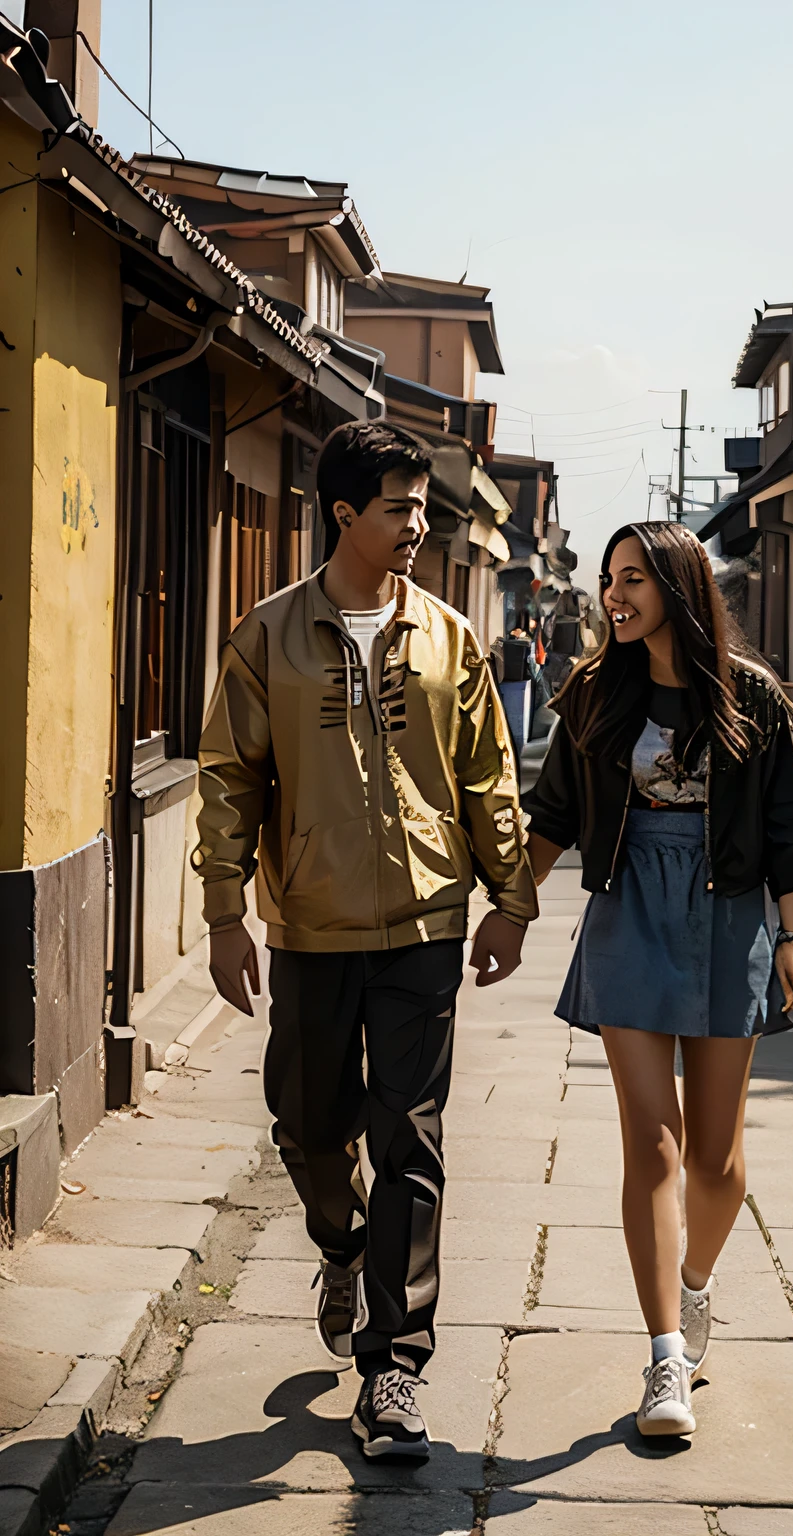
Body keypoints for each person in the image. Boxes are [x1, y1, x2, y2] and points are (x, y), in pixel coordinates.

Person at [193, 421, 537, 1462]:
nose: (418, 526)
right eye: (399, 508)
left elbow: (488, 771)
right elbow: (227, 777)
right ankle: (339, 1244)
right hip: (307, 919)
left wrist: (510, 898)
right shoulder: (267, 635)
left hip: (425, 920)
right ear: (344, 514)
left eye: (423, 508)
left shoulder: (448, 638)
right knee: (306, 1121)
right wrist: (222, 912)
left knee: (410, 1138)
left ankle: (394, 1368)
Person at [522, 522, 793, 1439]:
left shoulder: (753, 700)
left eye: (633, 581)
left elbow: (789, 830)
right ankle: (663, 1360)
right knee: (651, 1145)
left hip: (729, 912)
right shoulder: (593, 694)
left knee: (715, 1160)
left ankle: (696, 1286)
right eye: (610, 580)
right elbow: (556, 816)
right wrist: (504, 905)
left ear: (678, 589)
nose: (614, 596)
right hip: (630, 915)